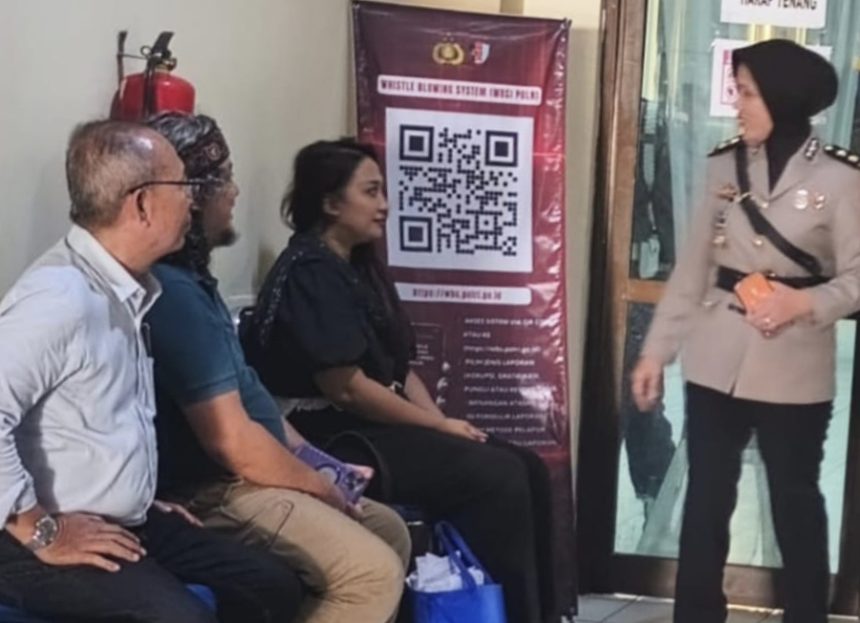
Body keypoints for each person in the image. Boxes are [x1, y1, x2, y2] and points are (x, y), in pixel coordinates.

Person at [241, 137, 558, 623]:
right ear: (330, 203)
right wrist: (436, 429)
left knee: (527, 465)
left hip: (374, 422)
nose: (384, 205)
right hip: (329, 435)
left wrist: (443, 425)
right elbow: (346, 387)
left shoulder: (359, 267)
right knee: (497, 476)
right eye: (371, 192)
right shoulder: (308, 272)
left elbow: (400, 369)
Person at [0, 120, 303, 622]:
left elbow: (100, 420)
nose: (192, 200)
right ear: (141, 204)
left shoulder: (125, 287)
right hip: (30, 537)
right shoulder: (60, 298)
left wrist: (138, 497)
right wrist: (41, 530)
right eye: (183, 186)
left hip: (119, 518)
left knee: (272, 586)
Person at [144, 111, 409, 623]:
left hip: (243, 477)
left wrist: (322, 464)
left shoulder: (197, 285)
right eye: (225, 179)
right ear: (194, 196)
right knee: (371, 573)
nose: (235, 192)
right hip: (212, 491)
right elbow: (231, 442)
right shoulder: (173, 295)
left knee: (387, 528)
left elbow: (253, 398)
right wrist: (318, 485)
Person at [631, 39, 860, 623]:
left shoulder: (841, 178)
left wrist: (804, 303)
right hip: (716, 359)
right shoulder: (723, 164)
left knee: (795, 504)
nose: (737, 104)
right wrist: (656, 353)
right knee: (706, 500)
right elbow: (693, 269)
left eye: (748, 94)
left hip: (794, 367)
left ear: (783, 98)